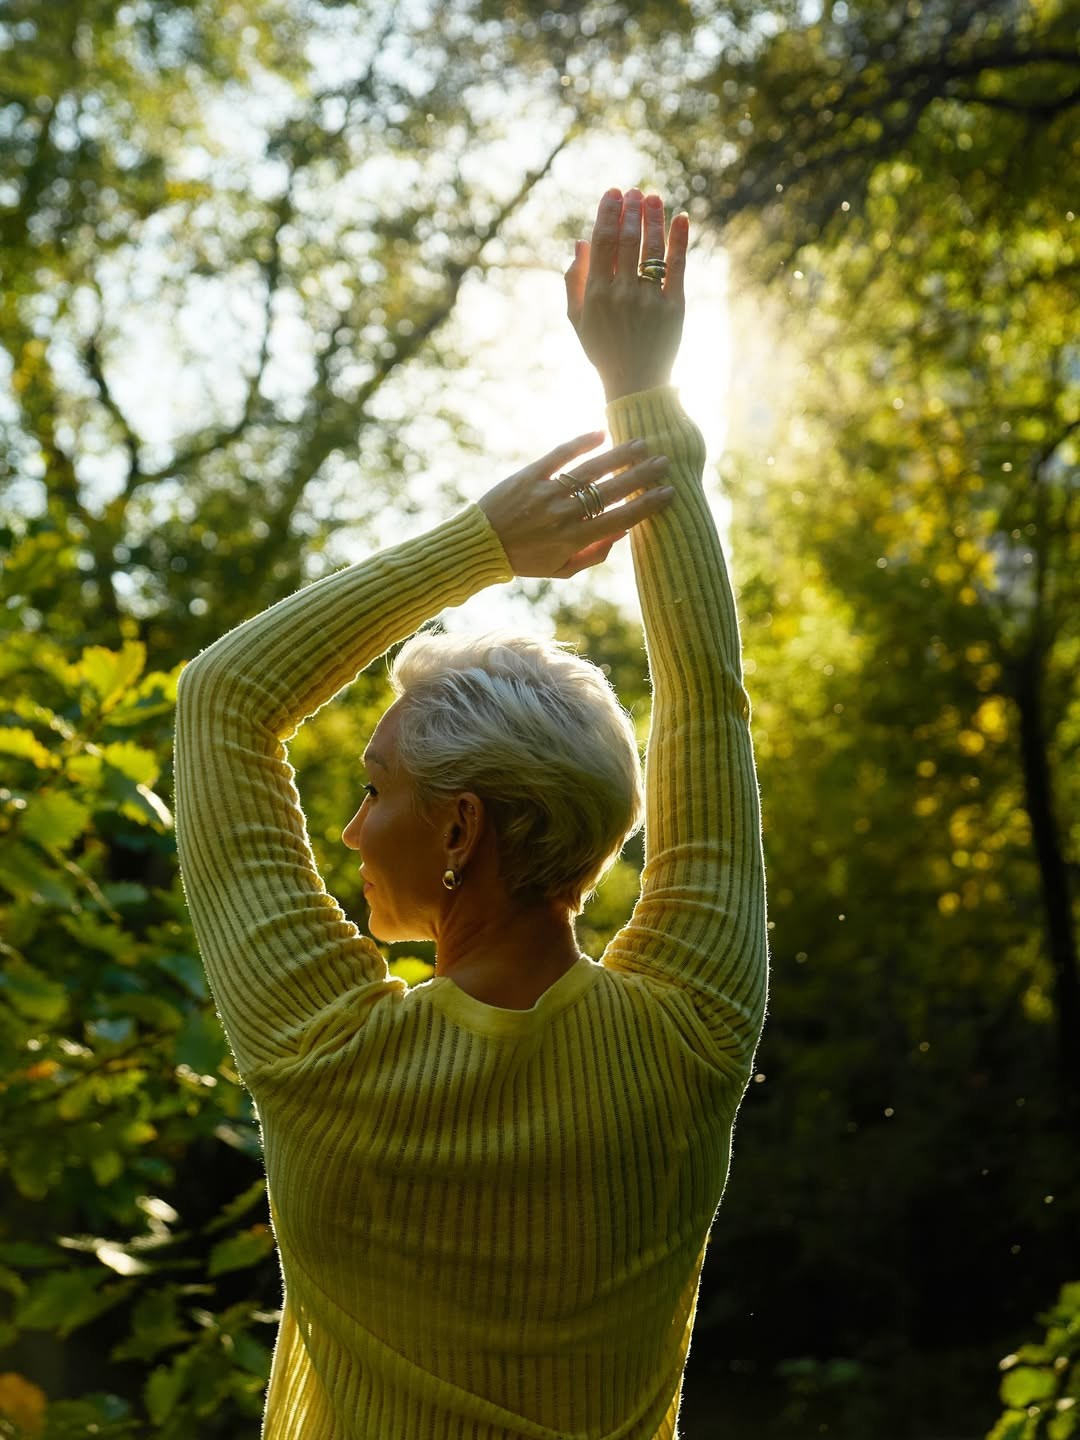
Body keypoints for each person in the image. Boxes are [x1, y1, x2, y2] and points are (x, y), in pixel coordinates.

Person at [174, 187, 768, 1440]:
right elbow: (708, 707)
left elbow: (225, 698)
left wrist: (485, 542)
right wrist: (643, 394)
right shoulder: (691, 1042)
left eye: (373, 788)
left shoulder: (327, 1056)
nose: (347, 830)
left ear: (460, 831)